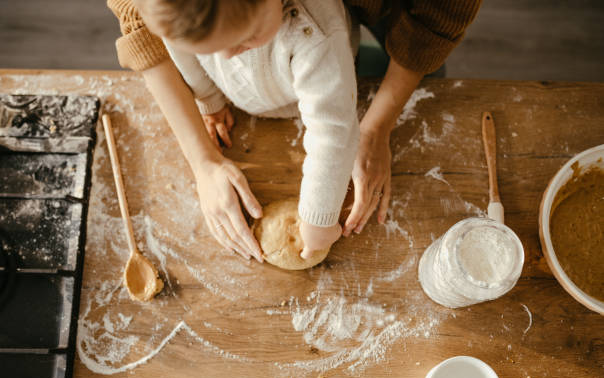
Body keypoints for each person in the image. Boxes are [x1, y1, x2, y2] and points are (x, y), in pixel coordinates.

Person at [107, 0, 481, 261]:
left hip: (324, 87)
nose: (227, 56)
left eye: (243, 39)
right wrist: (209, 100)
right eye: (212, 48)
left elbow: (333, 131)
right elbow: (180, 51)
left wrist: (319, 219)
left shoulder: (315, 33)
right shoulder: (189, 13)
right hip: (257, 93)